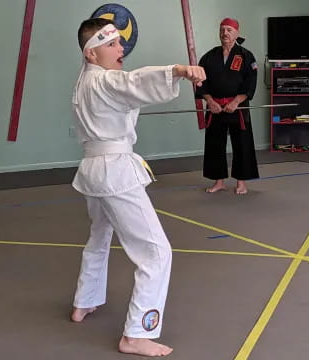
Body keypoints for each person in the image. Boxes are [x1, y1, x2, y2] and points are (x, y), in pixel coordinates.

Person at [70, 18, 206, 357]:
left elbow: (126, 88)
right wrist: (176, 70)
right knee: (156, 253)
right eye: (112, 44)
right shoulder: (103, 80)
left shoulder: (84, 81)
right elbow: (132, 82)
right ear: (91, 53)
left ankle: (84, 302)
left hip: (93, 171)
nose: (121, 49)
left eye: (120, 43)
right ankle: (136, 333)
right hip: (114, 173)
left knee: (99, 236)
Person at [196, 18, 259, 195]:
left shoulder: (246, 56)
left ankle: (241, 183)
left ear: (237, 33)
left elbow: (250, 82)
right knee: (215, 144)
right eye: (222, 29)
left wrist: (236, 101)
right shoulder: (209, 56)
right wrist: (209, 101)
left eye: (229, 30)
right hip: (215, 107)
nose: (225, 33)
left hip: (237, 107)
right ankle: (219, 182)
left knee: (242, 144)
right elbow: (200, 81)